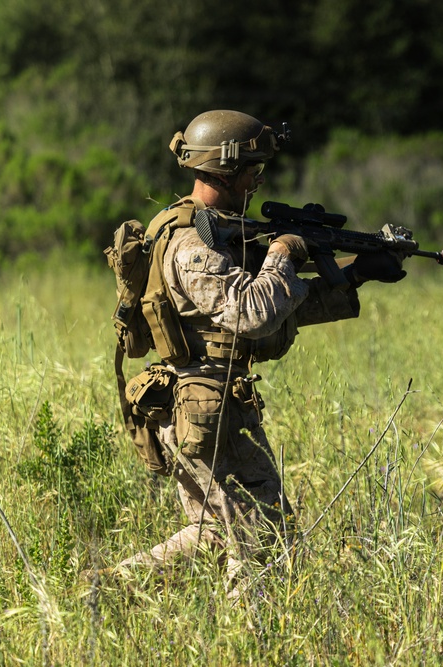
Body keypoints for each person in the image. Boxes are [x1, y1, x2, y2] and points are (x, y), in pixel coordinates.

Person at [108, 110, 405, 592]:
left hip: (214, 402)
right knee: (260, 534)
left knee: (216, 533)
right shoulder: (190, 244)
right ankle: (251, 636)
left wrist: (353, 273)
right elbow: (251, 311)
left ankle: (115, 584)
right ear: (226, 170)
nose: (258, 181)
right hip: (204, 407)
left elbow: (277, 307)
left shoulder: (217, 230)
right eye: (253, 170)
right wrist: (285, 250)